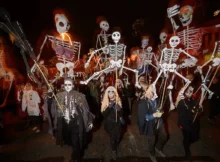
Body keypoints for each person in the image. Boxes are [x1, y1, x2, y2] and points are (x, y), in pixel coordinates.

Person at [54, 77, 94, 162]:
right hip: (65, 123)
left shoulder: (79, 95)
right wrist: (59, 109)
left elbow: (86, 109)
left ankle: (76, 158)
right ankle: (75, 152)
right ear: (63, 86)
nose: (67, 86)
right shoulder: (59, 96)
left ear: (72, 85)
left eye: (69, 84)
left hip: (76, 122)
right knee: (69, 140)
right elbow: (55, 109)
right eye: (66, 85)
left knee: (76, 140)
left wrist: (88, 121)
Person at [137, 83, 167, 162]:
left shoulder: (157, 99)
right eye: (148, 92)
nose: (150, 94)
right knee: (152, 141)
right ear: (145, 92)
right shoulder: (143, 103)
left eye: (152, 91)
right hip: (150, 125)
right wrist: (155, 115)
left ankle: (158, 148)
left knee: (164, 136)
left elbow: (161, 108)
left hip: (159, 123)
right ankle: (152, 154)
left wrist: (161, 111)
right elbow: (145, 117)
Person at [176, 85, 201, 160]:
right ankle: (187, 151)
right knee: (187, 138)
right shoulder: (182, 101)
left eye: (191, 92)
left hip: (193, 122)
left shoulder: (193, 99)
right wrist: (192, 111)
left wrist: (199, 109)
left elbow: (197, 109)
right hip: (185, 123)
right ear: (184, 92)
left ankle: (187, 143)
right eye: (188, 92)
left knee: (195, 137)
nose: (190, 93)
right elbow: (182, 114)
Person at [101, 86, 124, 160]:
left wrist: (119, 109)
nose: (110, 93)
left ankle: (116, 145)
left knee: (117, 138)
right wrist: (109, 107)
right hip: (110, 123)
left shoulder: (118, 100)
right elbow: (103, 114)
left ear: (115, 93)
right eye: (109, 92)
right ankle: (114, 151)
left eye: (112, 92)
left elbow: (122, 113)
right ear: (107, 93)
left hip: (118, 124)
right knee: (112, 138)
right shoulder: (105, 101)